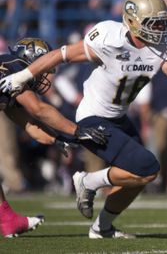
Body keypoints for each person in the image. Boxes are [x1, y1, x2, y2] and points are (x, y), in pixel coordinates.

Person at [0, 0, 167, 238]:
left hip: (119, 117)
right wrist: (22, 77)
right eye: (153, 23)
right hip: (94, 115)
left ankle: (102, 227)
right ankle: (88, 182)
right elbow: (61, 55)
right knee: (148, 167)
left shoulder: (163, 46)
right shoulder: (109, 37)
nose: (160, 28)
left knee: (140, 177)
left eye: (162, 22)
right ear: (133, 22)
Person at [0, 37, 109, 237]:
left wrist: (56, 139)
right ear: (30, 60)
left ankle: (7, 220)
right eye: (45, 70)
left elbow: (29, 125)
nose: (47, 77)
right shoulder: (13, 67)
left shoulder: (9, 80)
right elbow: (39, 109)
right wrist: (76, 130)